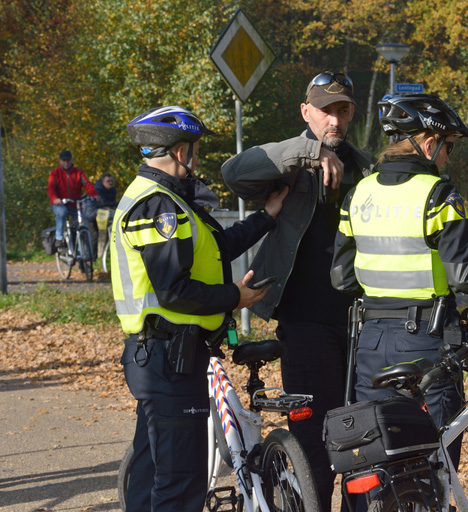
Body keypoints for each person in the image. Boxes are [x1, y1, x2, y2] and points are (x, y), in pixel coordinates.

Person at [329, 94, 468, 465]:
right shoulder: (439, 196)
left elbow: (342, 278)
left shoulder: (357, 195)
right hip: (425, 341)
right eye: (448, 148)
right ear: (428, 144)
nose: (447, 157)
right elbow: (463, 276)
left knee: (378, 454)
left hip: (370, 340)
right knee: (434, 460)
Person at [113, 106, 288, 512]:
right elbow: (174, 291)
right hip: (168, 358)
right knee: (180, 484)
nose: (195, 159)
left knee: (150, 471)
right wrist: (234, 298)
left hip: (166, 355)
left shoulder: (170, 201)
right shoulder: (159, 208)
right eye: (192, 150)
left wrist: (266, 218)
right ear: (178, 152)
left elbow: (217, 248)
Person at [221, 71, 375, 511]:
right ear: (306, 111)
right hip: (304, 320)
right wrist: (311, 151)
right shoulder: (286, 162)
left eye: (343, 110)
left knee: (360, 437)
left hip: (361, 321)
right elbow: (234, 172)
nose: (335, 119)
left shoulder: (364, 168)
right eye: (326, 109)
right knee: (310, 442)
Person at [46, 150, 99, 249]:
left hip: (75, 204)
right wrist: (55, 199)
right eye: (63, 160)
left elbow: (87, 184)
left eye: (68, 160)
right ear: (60, 161)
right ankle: (59, 238)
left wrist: (94, 195)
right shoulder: (54, 173)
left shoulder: (78, 172)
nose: (66, 162)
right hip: (60, 204)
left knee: (83, 223)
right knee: (62, 212)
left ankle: (84, 253)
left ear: (71, 160)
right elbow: (50, 189)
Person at [85, 173, 118, 258]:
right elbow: (102, 203)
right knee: (94, 236)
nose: (110, 183)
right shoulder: (97, 190)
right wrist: (115, 204)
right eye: (108, 181)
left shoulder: (113, 190)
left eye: (111, 181)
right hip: (92, 215)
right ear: (103, 182)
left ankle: (104, 254)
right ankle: (92, 256)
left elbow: (108, 204)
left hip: (103, 215)